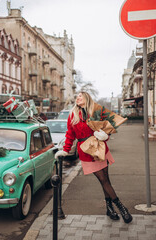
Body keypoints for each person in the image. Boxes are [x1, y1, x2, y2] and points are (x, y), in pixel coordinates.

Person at [55, 91, 132, 224]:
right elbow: (70, 135)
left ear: (86, 98)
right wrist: (65, 150)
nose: (78, 98)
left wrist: (105, 135)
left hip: (100, 147)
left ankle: (109, 208)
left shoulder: (96, 110)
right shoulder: (73, 115)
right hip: (86, 151)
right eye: (77, 96)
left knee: (106, 179)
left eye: (80, 96)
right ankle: (121, 207)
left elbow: (109, 124)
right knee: (103, 179)